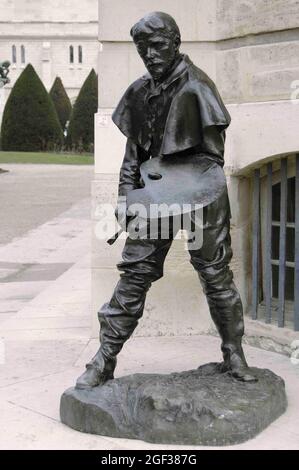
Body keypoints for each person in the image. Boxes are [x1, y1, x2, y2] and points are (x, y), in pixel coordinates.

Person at [76, 11, 256, 389]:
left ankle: (233, 352)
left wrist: (171, 187)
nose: (150, 55)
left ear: (175, 42)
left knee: (216, 276)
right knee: (135, 274)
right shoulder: (139, 91)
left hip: (200, 196)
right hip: (154, 195)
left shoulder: (198, 88)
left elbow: (211, 162)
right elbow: (132, 156)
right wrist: (127, 197)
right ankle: (104, 358)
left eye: (157, 45)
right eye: (143, 49)